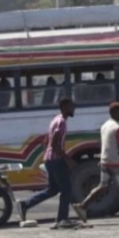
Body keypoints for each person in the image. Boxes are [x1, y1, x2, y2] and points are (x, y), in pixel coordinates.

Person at [18, 98, 81, 229]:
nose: (74, 108)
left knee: (53, 189)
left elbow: (46, 140)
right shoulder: (61, 122)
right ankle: (62, 219)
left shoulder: (55, 120)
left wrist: (47, 155)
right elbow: (54, 142)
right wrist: (66, 159)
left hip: (50, 159)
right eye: (71, 106)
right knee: (66, 190)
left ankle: (26, 204)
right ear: (64, 107)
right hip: (56, 160)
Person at [73, 102, 119, 222]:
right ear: (114, 113)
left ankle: (82, 206)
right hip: (117, 163)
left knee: (103, 186)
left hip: (105, 161)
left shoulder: (105, 125)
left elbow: (111, 144)